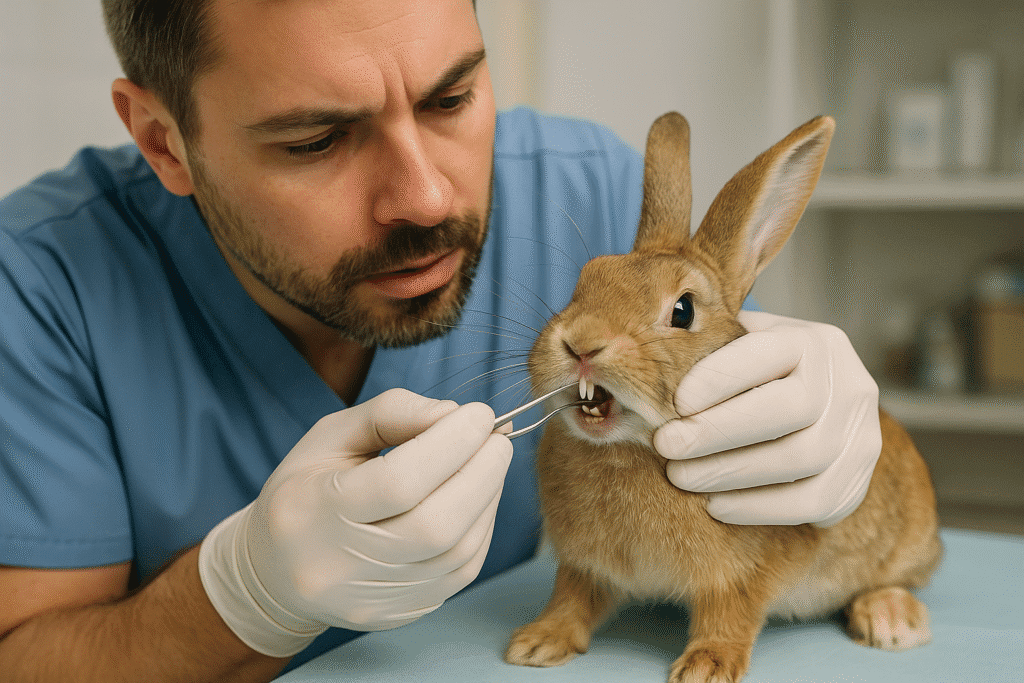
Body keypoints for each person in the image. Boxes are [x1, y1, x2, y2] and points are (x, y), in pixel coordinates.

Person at [0, 0, 882, 680]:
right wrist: (244, 594)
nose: (424, 197)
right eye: (316, 139)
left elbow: (712, 328)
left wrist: (815, 424)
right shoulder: (39, 287)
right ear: (166, 140)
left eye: (452, 97)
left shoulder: (588, 193)